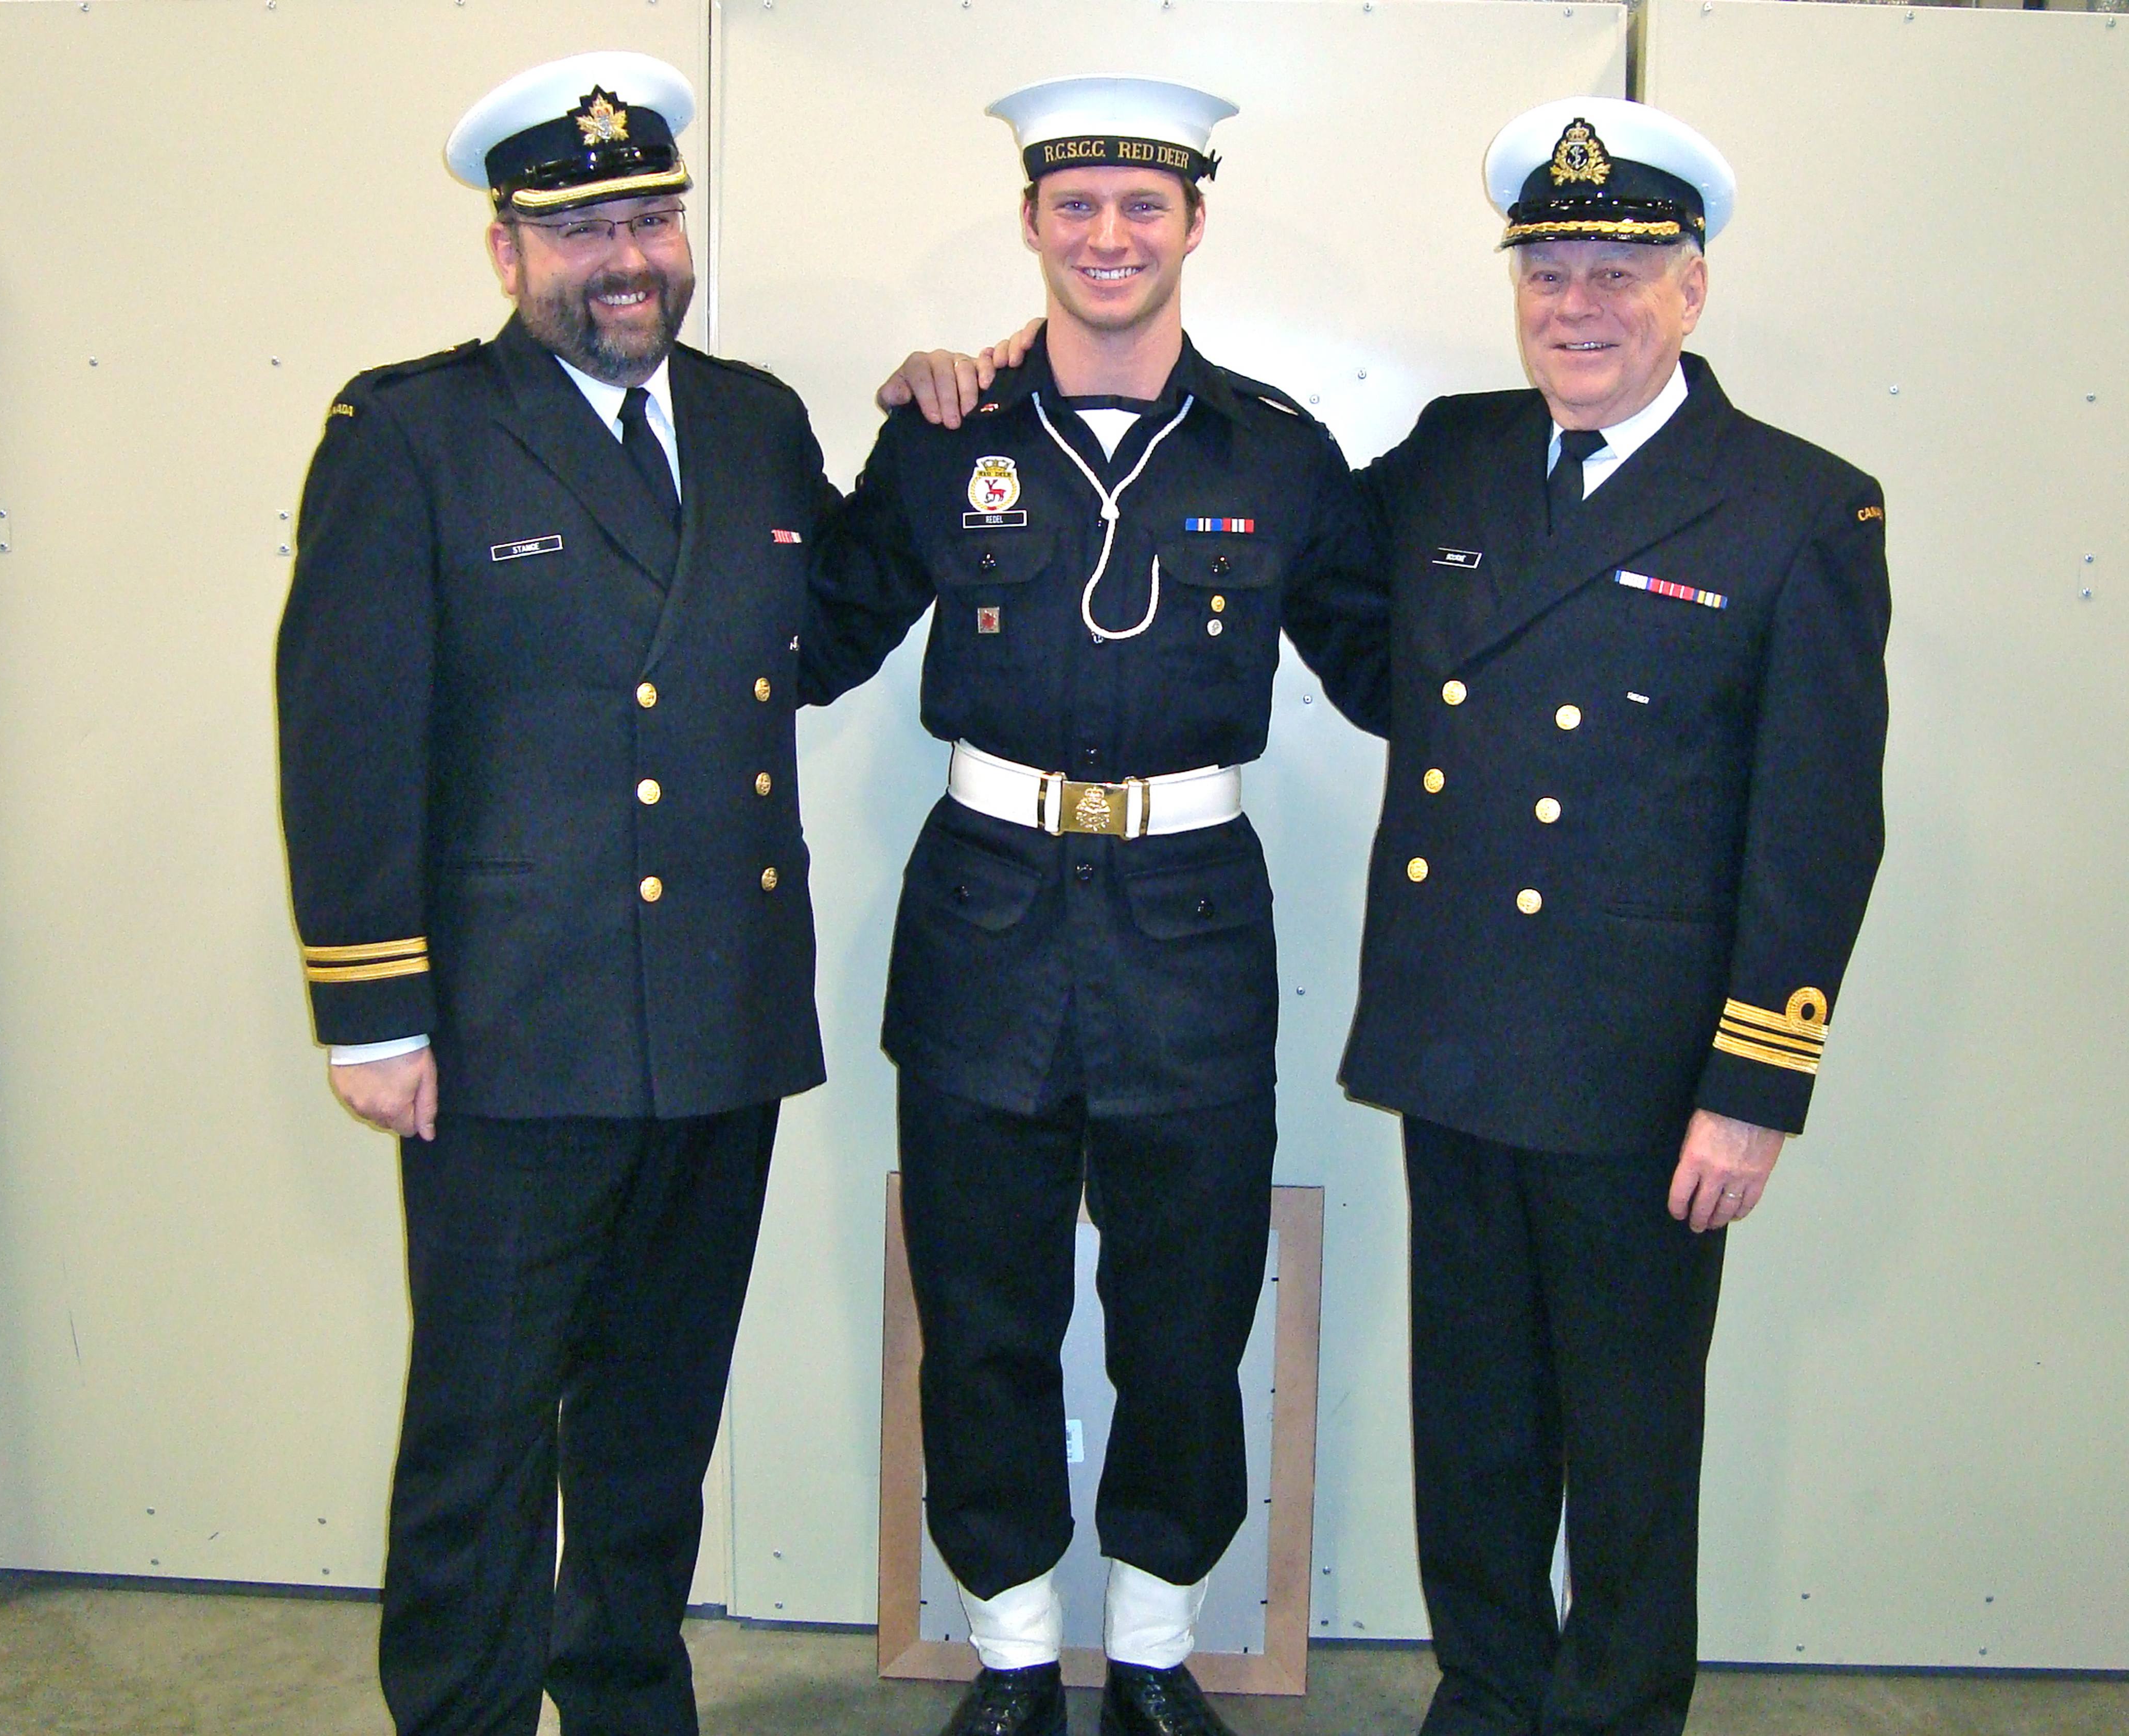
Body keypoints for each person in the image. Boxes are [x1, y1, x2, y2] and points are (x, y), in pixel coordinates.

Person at [805, 76, 1383, 1736]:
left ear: (1195, 224)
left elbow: (1400, 668)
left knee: (1183, 1324)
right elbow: (809, 631)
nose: (1109, 235)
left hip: (1191, 925)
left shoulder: (1280, 453)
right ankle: (1003, 1658)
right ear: (1033, 227)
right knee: (983, 1319)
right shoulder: (941, 437)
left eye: (1143, 205)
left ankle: (1145, 1649)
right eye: (1076, 207)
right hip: (985, 920)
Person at [275, 52, 837, 1736]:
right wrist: (372, 1010)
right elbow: (348, 730)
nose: (625, 256)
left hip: (718, 1023)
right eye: (578, 224)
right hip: (514, 1032)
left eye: (649, 215)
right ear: (506, 250)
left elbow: (832, 628)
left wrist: (973, 412)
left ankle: (625, 1702)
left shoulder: (755, 421)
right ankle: (456, 1711)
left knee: (656, 1423)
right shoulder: (415, 434)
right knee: (486, 1429)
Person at [1332, 98, 1892, 1734]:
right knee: (1477, 1417)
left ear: (1692, 290)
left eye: (1619, 274)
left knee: (1630, 1434)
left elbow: (1817, 826)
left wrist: (1753, 1083)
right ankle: (1486, 1694)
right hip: (1453, 1031)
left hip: (1644, 1072)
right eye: (1548, 272)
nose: (1576, 306)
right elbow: (1312, 566)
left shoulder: (1794, 505)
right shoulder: (1451, 451)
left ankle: (1620, 1710)